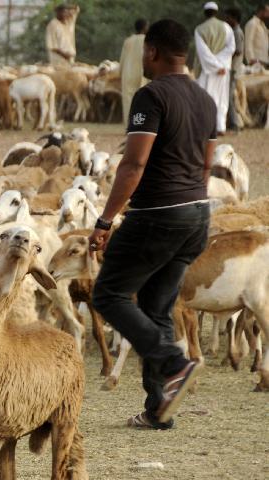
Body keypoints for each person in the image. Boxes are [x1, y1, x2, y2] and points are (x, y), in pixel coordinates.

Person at [89, 19, 214, 431]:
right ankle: (158, 407)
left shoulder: (151, 95)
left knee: (108, 294)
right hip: (197, 214)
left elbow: (134, 163)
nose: (142, 58)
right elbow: (207, 165)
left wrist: (105, 219)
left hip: (158, 215)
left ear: (154, 52)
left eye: (144, 51)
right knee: (157, 306)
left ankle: (174, 363)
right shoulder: (205, 99)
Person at [194, 1, 235, 135]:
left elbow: (203, 52)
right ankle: (220, 127)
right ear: (216, 12)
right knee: (222, 97)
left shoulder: (199, 29)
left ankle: (207, 128)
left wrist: (215, 65)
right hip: (222, 70)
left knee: (205, 99)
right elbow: (231, 48)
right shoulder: (226, 27)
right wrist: (221, 65)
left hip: (207, 71)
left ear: (205, 13)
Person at [120, 19, 148, 124]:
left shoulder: (128, 41)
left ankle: (129, 126)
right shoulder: (147, 40)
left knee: (128, 100)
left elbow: (122, 59)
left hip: (128, 74)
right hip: (142, 74)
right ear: (144, 27)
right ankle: (140, 125)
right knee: (142, 100)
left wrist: (120, 72)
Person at [225, 8, 244, 133]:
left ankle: (234, 124)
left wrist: (223, 58)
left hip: (233, 69)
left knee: (229, 96)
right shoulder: (234, 31)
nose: (226, 20)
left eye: (227, 17)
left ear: (233, 18)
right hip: (233, 69)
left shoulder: (237, 32)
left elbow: (237, 51)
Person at [45, 3, 80, 67]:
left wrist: (70, 7)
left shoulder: (69, 22)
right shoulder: (52, 25)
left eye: (67, 12)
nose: (66, 14)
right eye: (63, 12)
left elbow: (76, 10)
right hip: (58, 60)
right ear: (58, 12)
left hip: (70, 59)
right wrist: (64, 55)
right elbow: (52, 46)